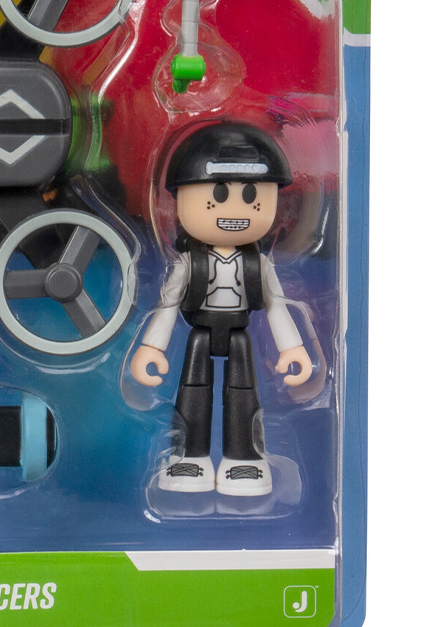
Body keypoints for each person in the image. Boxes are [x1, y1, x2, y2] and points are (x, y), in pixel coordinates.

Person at [128, 123, 311, 497]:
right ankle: (188, 456)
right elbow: (167, 305)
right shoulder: (187, 263)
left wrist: (292, 348)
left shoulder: (259, 264)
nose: (236, 209)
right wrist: (151, 347)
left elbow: (276, 306)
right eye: (219, 193)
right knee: (192, 391)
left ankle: (244, 458)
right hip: (200, 332)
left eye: (252, 195)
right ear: (179, 200)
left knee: (243, 392)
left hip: (240, 334)